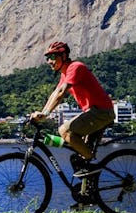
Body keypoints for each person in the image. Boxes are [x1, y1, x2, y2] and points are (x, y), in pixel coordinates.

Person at [30, 41, 116, 178]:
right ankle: (89, 192)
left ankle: (91, 160)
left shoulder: (75, 67)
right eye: (47, 58)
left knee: (64, 130)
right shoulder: (65, 74)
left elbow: (61, 93)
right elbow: (55, 93)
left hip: (101, 112)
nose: (49, 61)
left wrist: (45, 114)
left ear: (64, 56)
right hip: (93, 113)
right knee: (80, 156)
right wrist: (42, 112)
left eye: (53, 57)